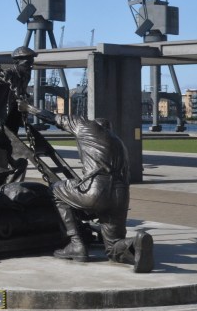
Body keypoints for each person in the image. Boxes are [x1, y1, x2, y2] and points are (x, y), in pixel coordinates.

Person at [47, 114, 154, 273]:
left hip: (97, 191)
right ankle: (135, 243)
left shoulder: (88, 128)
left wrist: (29, 109)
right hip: (121, 196)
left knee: (56, 189)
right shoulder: (119, 144)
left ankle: (76, 244)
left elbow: (57, 119)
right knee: (112, 247)